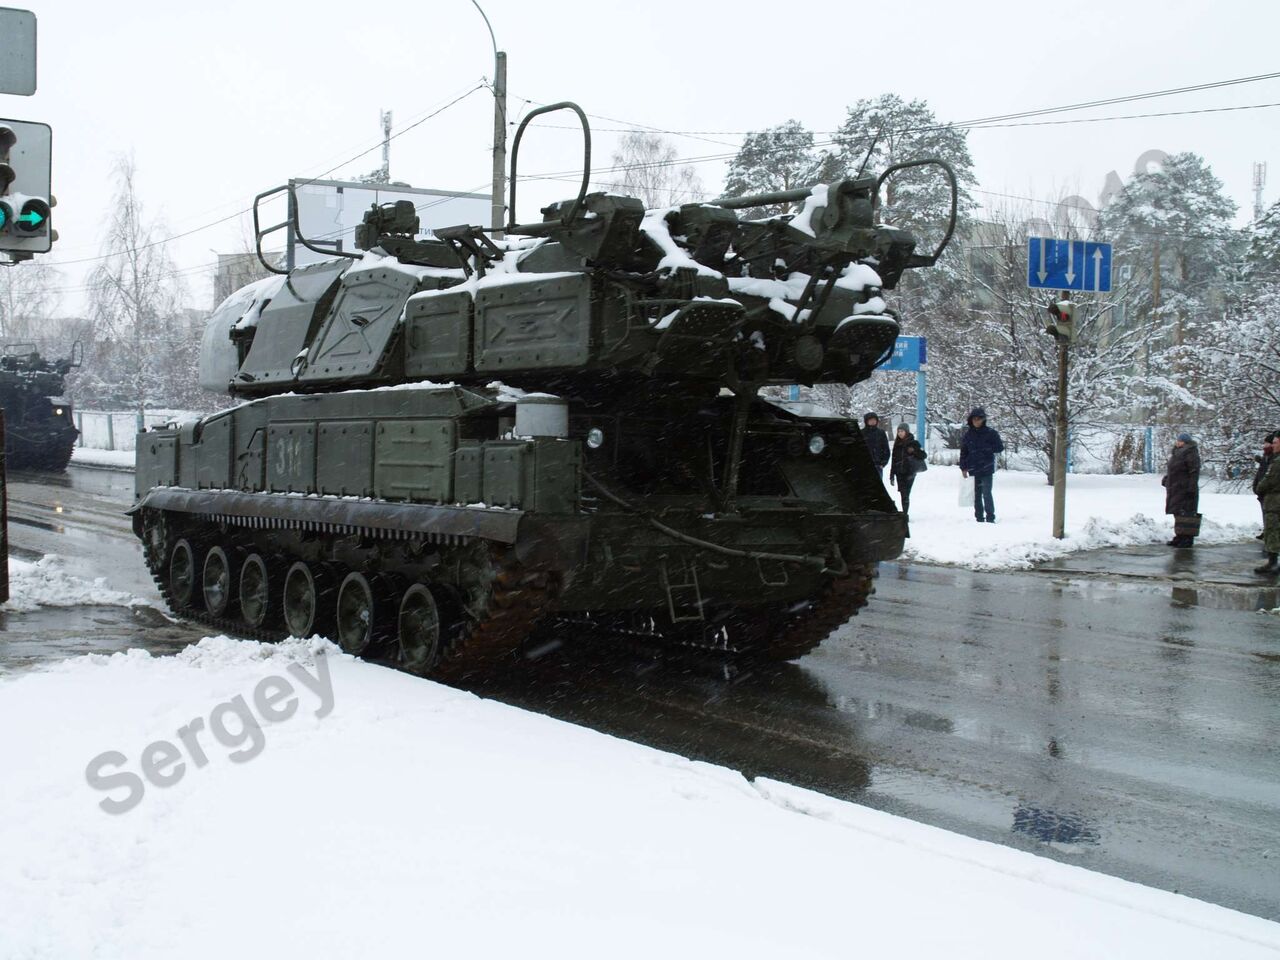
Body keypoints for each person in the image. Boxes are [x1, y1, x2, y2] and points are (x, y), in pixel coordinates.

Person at [959, 407, 1003, 523]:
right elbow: (964, 452)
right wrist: (963, 467)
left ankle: (990, 517)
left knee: (987, 493)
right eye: (974, 419)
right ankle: (979, 517)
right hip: (973, 468)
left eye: (979, 419)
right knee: (977, 495)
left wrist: (987, 449)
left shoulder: (991, 433)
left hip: (987, 467)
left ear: (983, 420)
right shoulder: (968, 435)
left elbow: (999, 447)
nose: (976, 421)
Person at [1162, 433, 1201, 548]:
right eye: (1178, 440)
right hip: (1176, 488)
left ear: (1186, 442)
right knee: (1178, 513)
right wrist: (1167, 479)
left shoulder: (1191, 453)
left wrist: (1191, 488)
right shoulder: (1177, 453)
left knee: (1187, 513)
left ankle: (1187, 538)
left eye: (1181, 441)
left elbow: (1194, 472)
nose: (1178, 442)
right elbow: (1173, 469)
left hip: (1185, 488)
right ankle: (1179, 536)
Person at [889, 423, 927, 519]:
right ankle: (905, 513)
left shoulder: (913, 442)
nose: (900, 433)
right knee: (903, 493)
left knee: (906, 493)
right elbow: (894, 460)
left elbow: (923, 455)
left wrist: (914, 451)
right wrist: (892, 474)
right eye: (898, 431)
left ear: (906, 431)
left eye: (902, 431)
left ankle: (905, 513)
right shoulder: (897, 444)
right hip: (899, 472)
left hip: (910, 472)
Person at [1256, 433, 1280, 575]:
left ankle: (1272, 563)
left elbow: (1269, 481)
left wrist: (1259, 487)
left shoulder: (1277, 463)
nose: (1273, 445)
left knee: (1272, 531)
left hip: (1274, 502)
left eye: (1276, 442)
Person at [1253, 431, 1276, 540]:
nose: (1264, 446)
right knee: (1265, 512)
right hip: (1262, 491)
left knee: (1270, 514)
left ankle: (1270, 535)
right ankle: (1267, 530)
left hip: (1270, 492)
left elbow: (1270, 475)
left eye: (1267, 443)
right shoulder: (1266, 457)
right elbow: (1261, 472)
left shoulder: (1274, 458)